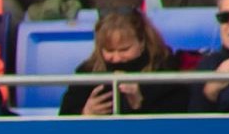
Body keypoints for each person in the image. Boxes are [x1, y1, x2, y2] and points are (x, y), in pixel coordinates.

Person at [58, 7, 190, 114]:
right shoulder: (88, 71)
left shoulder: (164, 67)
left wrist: (139, 104)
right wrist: (86, 113)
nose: (116, 58)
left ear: (141, 42)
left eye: (124, 50)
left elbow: (178, 117)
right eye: (109, 51)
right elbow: (64, 119)